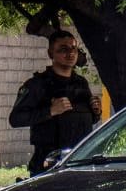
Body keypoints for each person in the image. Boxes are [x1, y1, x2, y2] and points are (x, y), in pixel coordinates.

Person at [9, 30, 101, 176]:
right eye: (63, 49)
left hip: (79, 160)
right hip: (48, 163)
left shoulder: (81, 83)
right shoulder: (37, 85)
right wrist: (50, 111)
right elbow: (15, 119)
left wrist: (96, 111)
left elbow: (89, 119)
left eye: (74, 49)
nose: (70, 54)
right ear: (51, 54)